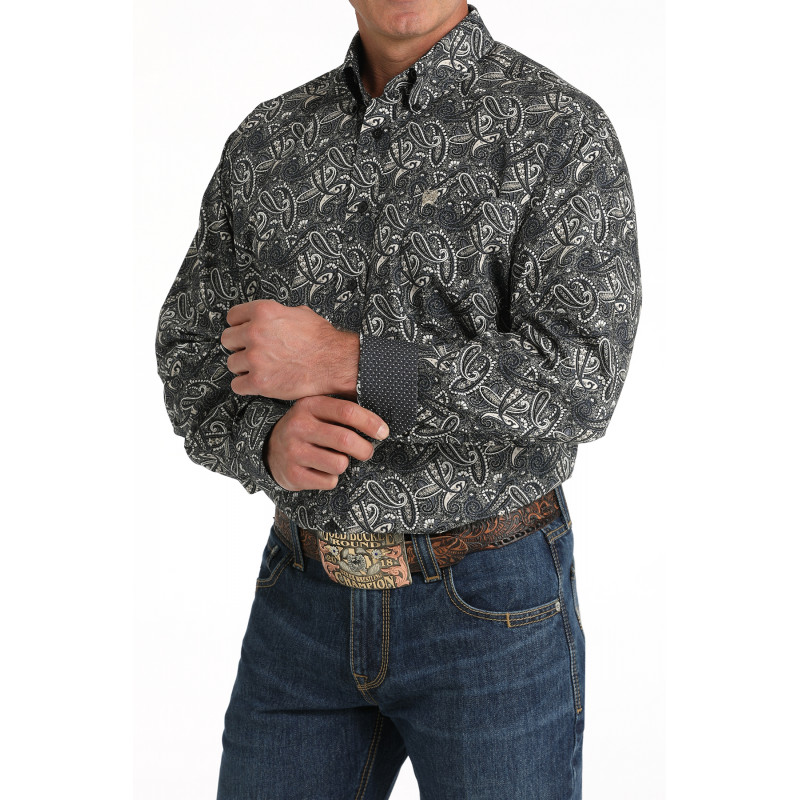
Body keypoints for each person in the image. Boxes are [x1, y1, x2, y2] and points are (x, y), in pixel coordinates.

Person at [155, 2, 641, 797]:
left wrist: (346, 360)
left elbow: (581, 380)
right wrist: (263, 443)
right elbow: (191, 351)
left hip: (490, 607)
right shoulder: (268, 142)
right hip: (300, 606)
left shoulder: (558, 131)